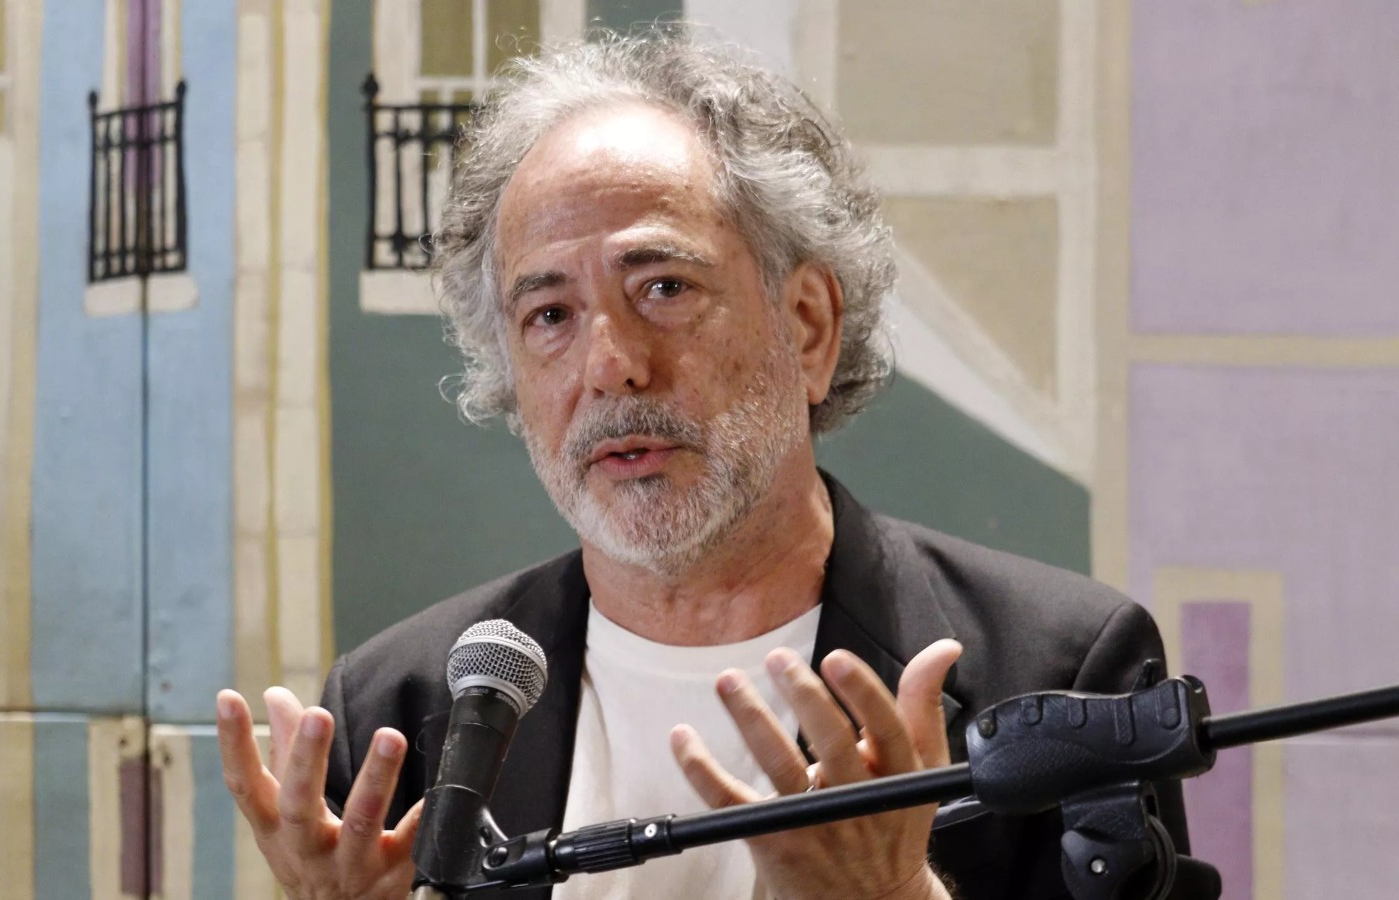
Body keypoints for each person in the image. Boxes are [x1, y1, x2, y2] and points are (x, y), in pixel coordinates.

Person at [216, 31, 1193, 900]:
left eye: (664, 287)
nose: (610, 365)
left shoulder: (1064, 675)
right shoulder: (394, 716)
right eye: (549, 315)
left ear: (806, 326)